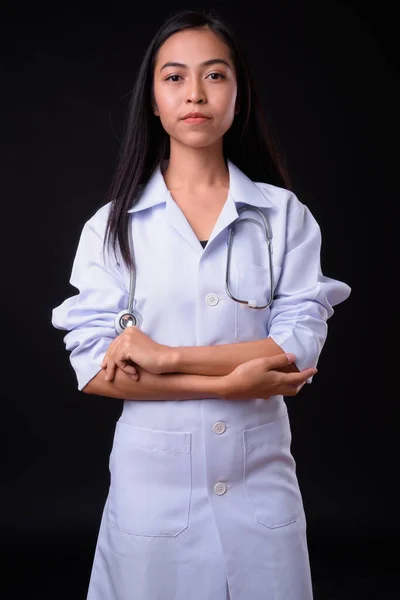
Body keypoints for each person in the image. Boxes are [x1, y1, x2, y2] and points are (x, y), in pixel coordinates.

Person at [52, 7, 351, 600]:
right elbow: (93, 369)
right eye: (174, 77)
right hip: (154, 491)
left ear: (239, 96)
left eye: (214, 75)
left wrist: (163, 359)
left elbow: (294, 348)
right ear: (153, 101)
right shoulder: (112, 228)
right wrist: (229, 383)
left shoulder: (282, 216)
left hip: (258, 486)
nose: (195, 93)